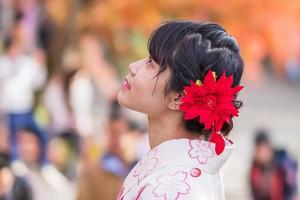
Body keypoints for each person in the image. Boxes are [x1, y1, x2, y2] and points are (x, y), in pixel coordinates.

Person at [117, 20, 244, 199]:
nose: (133, 66)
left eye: (151, 63)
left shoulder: (170, 190)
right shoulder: (178, 175)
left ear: (179, 98)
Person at [250, 130, 298, 200]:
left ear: (269, 148)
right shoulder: (255, 167)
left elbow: (291, 191)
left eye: (262, 150)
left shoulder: (284, 165)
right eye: (258, 150)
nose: (260, 154)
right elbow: (255, 193)